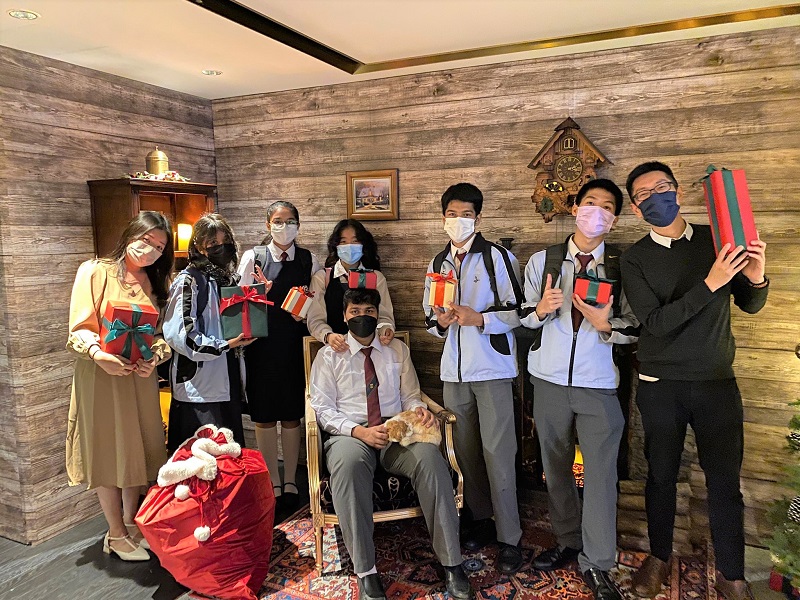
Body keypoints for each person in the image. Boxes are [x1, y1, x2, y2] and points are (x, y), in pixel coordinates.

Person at [621, 162, 768, 600]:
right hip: (659, 383)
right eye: (644, 194)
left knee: (724, 482)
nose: (655, 197)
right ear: (635, 208)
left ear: (679, 191)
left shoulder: (717, 240)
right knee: (661, 475)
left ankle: (732, 574)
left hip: (715, 381)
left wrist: (756, 276)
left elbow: (749, 303)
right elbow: (655, 323)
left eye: (662, 187)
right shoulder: (634, 259)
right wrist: (710, 283)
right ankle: (658, 557)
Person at [310, 288, 473, 600]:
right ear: (344, 316)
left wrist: (419, 410)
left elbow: (411, 395)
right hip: (350, 433)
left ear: (378, 314)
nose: (362, 317)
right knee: (348, 466)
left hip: (395, 429)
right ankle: (366, 571)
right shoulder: (329, 355)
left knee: (430, 459)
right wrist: (359, 432)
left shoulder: (396, 348)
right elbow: (323, 409)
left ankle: (452, 563)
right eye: (355, 312)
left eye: (368, 312)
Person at [520, 179, 639, 599]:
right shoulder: (544, 260)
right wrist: (541, 309)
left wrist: (607, 325)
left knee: (601, 475)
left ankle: (598, 562)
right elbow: (523, 316)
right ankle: (568, 540)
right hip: (548, 380)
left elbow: (634, 327)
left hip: (599, 384)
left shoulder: (623, 267)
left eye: (607, 207)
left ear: (615, 219)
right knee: (555, 468)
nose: (597, 212)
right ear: (575, 208)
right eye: (590, 203)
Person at [422, 182, 524, 574]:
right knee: (464, 452)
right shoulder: (437, 262)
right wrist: (442, 322)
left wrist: (480, 318)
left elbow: (520, 311)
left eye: (466, 215)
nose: (458, 221)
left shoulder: (498, 257)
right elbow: (431, 320)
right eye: (452, 214)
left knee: (499, 452)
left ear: (478, 218)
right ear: (443, 217)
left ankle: (510, 536)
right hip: (455, 373)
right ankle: (481, 519)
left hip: (493, 368)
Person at [66, 211, 174, 561]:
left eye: (159, 247)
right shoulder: (95, 271)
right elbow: (79, 327)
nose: (150, 250)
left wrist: (153, 359)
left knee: (139, 447)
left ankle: (132, 521)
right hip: (101, 376)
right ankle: (114, 533)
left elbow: (161, 336)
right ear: (130, 234)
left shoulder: (157, 282)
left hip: (138, 378)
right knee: (108, 450)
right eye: (146, 240)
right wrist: (98, 354)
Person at [237, 201, 322, 509]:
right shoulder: (254, 257)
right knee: (264, 415)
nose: (284, 227)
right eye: (278, 221)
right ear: (267, 224)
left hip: (294, 345)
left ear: (298, 224)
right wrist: (260, 292)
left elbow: (317, 300)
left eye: (290, 221)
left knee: (291, 414)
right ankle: (271, 477)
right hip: (261, 346)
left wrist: (305, 313)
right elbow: (239, 301)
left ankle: (289, 479)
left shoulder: (309, 259)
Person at [163, 213, 255, 453]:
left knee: (229, 459)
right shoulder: (188, 281)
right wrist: (225, 344)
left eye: (225, 242)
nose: (220, 248)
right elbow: (181, 336)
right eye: (212, 243)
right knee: (199, 461)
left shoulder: (225, 279)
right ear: (198, 247)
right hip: (198, 390)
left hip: (228, 382)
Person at [307, 219, 395, 352]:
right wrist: (328, 335)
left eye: (355, 241)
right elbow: (315, 319)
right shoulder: (322, 278)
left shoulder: (376, 277)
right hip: (336, 349)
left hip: (370, 347)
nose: (349, 246)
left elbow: (384, 315)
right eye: (343, 242)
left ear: (363, 245)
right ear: (336, 246)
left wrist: (386, 329)